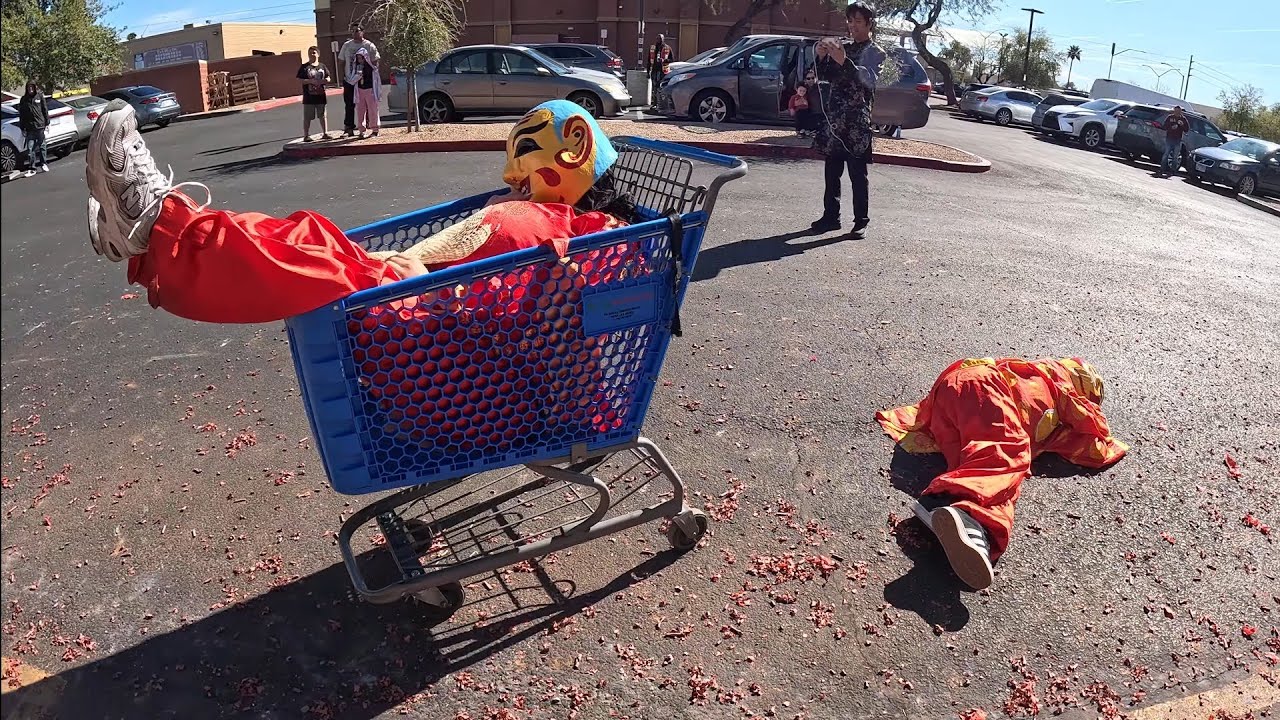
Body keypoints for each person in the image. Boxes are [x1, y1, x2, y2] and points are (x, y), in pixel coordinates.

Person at [82, 98, 636, 323]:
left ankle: (158, 229)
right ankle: (155, 232)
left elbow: (514, 290)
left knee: (331, 267)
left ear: (578, 149)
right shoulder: (581, 230)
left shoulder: (562, 229)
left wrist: (400, 269)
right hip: (466, 366)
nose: (511, 181)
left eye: (522, 167)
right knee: (321, 247)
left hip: (468, 379)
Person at [876, 357, 1128, 590]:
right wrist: (1113, 445)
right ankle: (962, 514)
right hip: (984, 390)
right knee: (1009, 456)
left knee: (976, 462)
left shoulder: (1034, 375)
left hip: (951, 395)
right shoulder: (1062, 386)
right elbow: (1091, 430)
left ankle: (951, 508)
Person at [808, 2, 886, 236]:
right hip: (835, 119)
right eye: (850, 21)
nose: (853, 27)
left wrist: (844, 61)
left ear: (870, 23)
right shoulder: (845, 47)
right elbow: (826, 76)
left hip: (856, 122)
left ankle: (861, 221)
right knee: (832, 172)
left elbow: (868, 79)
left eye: (858, 22)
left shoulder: (876, 52)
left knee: (857, 174)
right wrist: (821, 57)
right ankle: (831, 217)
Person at [337, 25, 380, 138]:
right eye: (352, 31)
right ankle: (349, 128)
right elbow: (341, 62)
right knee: (350, 105)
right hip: (350, 80)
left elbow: (376, 61)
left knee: (370, 105)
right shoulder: (347, 45)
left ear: (362, 32)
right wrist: (344, 77)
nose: (354, 33)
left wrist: (373, 76)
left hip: (366, 81)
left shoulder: (369, 45)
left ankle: (373, 128)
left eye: (357, 31)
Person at [297, 46, 333, 142]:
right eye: (310, 53)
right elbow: (299, 80)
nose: (311, 54)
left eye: (313, 52)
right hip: (309, 97)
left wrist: (325, 80)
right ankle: (306, 135)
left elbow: (328, 77)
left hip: (321, 96)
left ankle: (325, 133)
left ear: (318, 54)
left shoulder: (322, 66)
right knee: (307, 117)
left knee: (322, 115)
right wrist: (310, 81)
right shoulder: (304, 67)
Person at [17, 81, 50, 176]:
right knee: (30, 149)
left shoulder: (39, 96)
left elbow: (45, 110)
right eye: (29, 87)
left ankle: (44, 164)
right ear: (26, 89)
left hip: (40, 126)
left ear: (35, 88)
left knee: (42, 145)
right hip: (29, 128)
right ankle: (32, 168)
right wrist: (22, 127)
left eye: (32, 87)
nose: (30, 89)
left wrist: (47, 123)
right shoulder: (23, 100)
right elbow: (21, 115)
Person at [352, 48, 381, 138]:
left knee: (373, 110)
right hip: (360, 90)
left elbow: (376, 80)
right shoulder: (356, 67)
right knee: (360, 111)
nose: (360, 60)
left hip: (370, 90)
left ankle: (375, 129)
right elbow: (352, 80)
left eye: (361, 58)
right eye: (358, 58)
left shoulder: (371, 68)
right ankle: (362, 130)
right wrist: (357, 77)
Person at [1159, 105, 1190, 178]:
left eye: (1178, 111)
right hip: (1169, 138)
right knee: (1166, 154)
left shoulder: (1183, 119)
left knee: (1175, 156)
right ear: (1174, 111)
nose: (1177, 112)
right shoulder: (1170, 117)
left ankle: (1173, 171)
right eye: (1175, 111)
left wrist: (1182, 125)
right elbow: (1164, 126)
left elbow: (1187, 130)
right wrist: (1171, 127)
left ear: (1180, 111)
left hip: (1178, 140)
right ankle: (1162, 169)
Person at [648, 34, 672, 104]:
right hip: (654, 70)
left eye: (660, 39)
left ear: (663, 39)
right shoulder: (652, 48)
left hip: (663, 71)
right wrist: (648, 71)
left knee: (661, 87)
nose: (659, 40)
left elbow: (671, 59)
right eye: (658, 38)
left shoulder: (667, 48)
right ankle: (655, 103)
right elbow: (649, 60)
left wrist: (664, 60)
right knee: (654, 87)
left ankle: (661, 102)